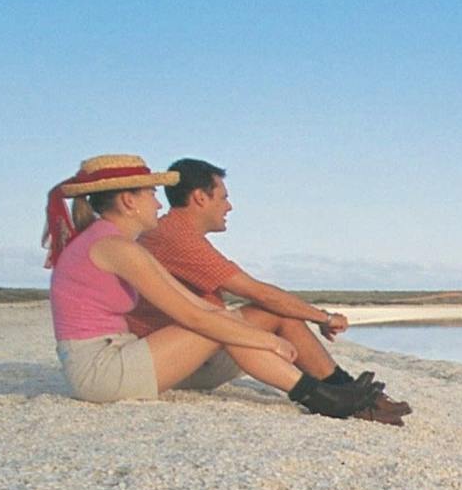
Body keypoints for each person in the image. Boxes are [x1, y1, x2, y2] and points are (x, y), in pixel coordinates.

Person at [42, 154, 382, 420]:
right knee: (215, 325)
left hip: (117, 356)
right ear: (129, 201)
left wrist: (253, 332)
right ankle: (321, 397)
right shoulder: (116, 248)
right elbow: (195, 317)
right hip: (101, 370)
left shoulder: (117, 243)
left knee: (222, 320)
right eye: (151, 194)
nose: (159, 204)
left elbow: (194, 303)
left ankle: (333, 393)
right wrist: (264, 339)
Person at [131, 159, 410, 422]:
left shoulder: (173, 234)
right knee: (276, 311)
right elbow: (258, 293)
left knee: (276, 311)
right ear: (200, 197)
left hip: (186, 348)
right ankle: (347, 397)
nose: (229, 207)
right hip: (178, 360)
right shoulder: (176, 237)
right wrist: (323, 318)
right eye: (223, 197)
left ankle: (348, 392)